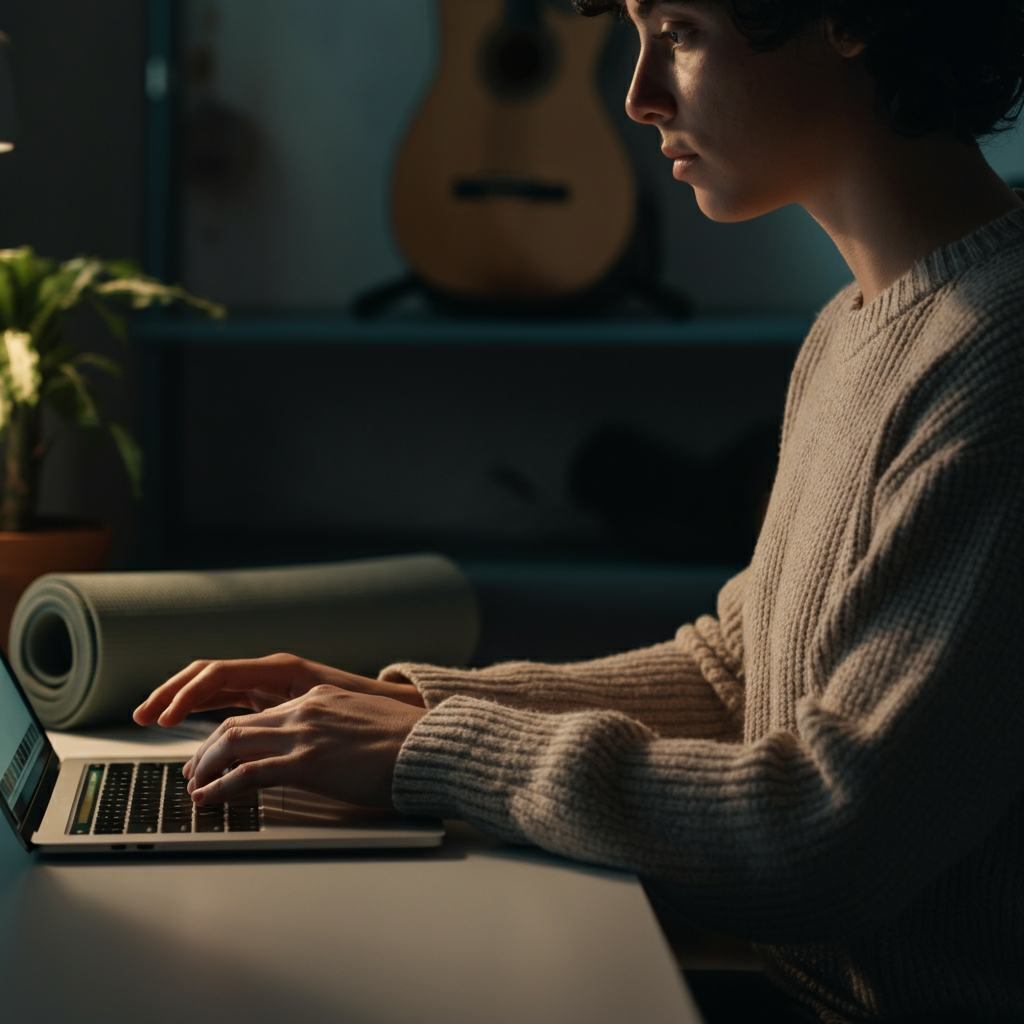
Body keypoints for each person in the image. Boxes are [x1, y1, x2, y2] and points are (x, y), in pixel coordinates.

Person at [135, 1, 1024, 1020]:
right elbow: (736, 672)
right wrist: (423, 713)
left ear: (847, 19)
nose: (640, 96)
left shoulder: (996, 367)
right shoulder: (855, 324)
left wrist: (436, 756)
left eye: (681, 31)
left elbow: (820, 836)